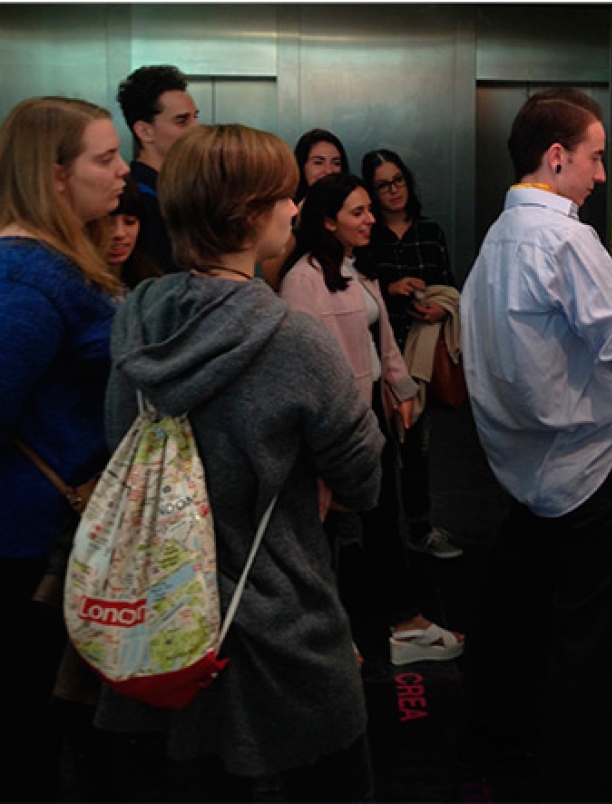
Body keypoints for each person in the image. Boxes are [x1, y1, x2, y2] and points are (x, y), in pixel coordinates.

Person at [95, 123, 385, 802]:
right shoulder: (294, 340)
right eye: (283, 196)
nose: (294, 208)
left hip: (158, 624)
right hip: (281, 627)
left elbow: (118, 441)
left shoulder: (137, 322)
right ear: (248, 214)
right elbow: (364, 478)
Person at [458, 88, 612, 802]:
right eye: (595, 158)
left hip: (526, 472)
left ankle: (515, 754)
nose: (601, 174)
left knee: (533, 624)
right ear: (557, 156)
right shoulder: (566, 239)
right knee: (589, 641)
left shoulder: (497, 239)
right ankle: (581, 779)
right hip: (592, 467)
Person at [280, 172, 465, 666]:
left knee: (384, 518)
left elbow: (378, 341)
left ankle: (404, 623)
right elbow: (303, 365)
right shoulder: (303, 280)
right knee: (328, 530)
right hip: (336, 425)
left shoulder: (356, 268)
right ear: (328, 221)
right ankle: (329, 637)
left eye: (369, 210)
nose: (369, 220)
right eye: (357, 212)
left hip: (371, 418)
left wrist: (400, 389)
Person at [0, 95, 129, 802]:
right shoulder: (26, 276)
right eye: (105, 159)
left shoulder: (54, 262)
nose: (123, 170)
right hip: (25, 551)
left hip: (50, 541)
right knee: (30, 735)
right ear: (54, 175)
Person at [361, 148, 463, 559]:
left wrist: (441, 307)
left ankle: (420, 526)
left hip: (423, 347)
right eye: (383, 185)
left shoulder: (430, 231)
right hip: (379, 350)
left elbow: (449, 283)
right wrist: (391, 289)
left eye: (398, 180)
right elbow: (357, 290)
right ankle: (380, 535)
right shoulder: (367, 235)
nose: (393, 190)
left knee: (418, 445)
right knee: (380, 445)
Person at [116, 64, 198, 273]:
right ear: (145, 131)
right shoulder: (137, 197)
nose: (196, 129)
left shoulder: (180, 190)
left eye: (195, 118)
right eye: (182, 121)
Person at [261, 128, 349, 291]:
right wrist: (301, 220)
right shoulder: (285, 207)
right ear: (302, 166)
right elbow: (271, 278)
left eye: (336, 163)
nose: (329, 171)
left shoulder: (352, 208)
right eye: (318, 162)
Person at [106, 173, 162, 294]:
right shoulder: (76, 284)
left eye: (130, 222)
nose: (119, 233)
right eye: (109, 223)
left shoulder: (153, 287)